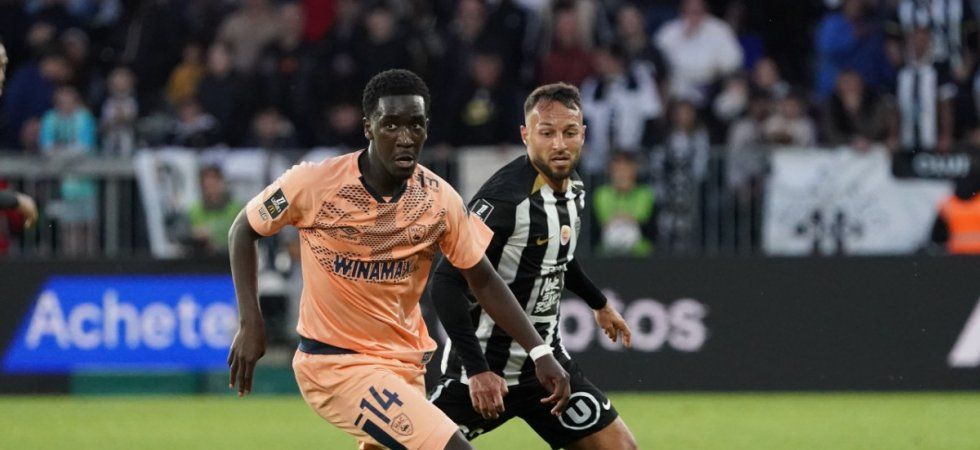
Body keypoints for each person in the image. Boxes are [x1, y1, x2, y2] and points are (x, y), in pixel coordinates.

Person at [226, 69, 570, 450]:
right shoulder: (314, 183)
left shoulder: (439, 200)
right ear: (368, 128)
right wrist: (250, 321)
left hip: (404, 368)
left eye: (415, 125)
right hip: (336, 365)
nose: (405, 138)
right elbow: (243, 229)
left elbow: (483, 279)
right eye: (391, 125)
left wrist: (540, 351)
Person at [429, 83, 638, 450]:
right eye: (547, 133)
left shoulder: (574, 189)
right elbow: (446, 281)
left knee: (621, 448)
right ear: (526, 135)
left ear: (583, 134)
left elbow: (558, 256)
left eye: (569, 133)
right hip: (485, 372)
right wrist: (477, 370)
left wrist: (599, 303)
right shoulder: (504, 200)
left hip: (547, 369)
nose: (559, 144)